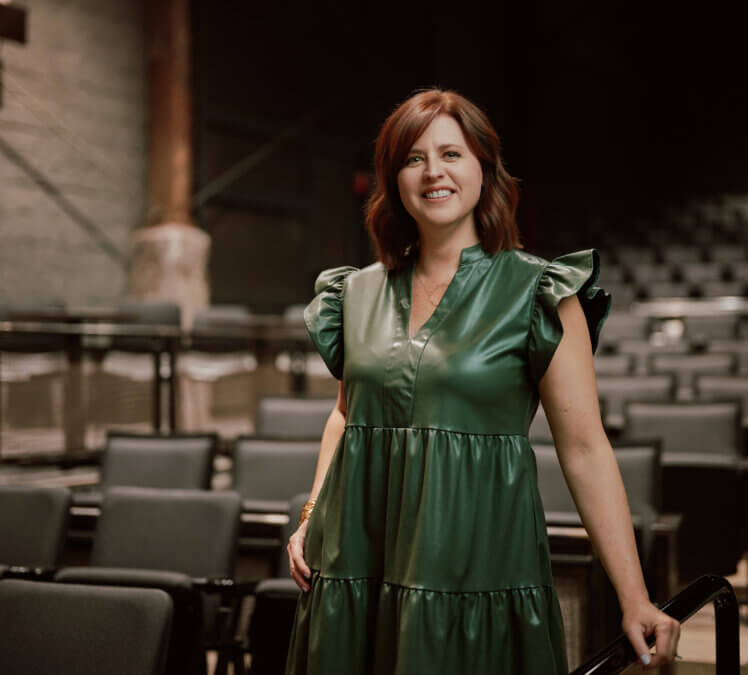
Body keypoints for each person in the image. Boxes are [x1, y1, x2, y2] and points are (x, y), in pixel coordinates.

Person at [284, 88, 680, 673]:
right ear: (393, 178)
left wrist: (635, 594)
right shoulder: (355, 291)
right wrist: (312, 513)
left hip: (475, 560)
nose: (433, 172)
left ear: (483, 169)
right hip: (356, 560)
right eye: (413, 158)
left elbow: (586, 448)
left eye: (452, 154)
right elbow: (347, 413)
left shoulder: (540, 291)